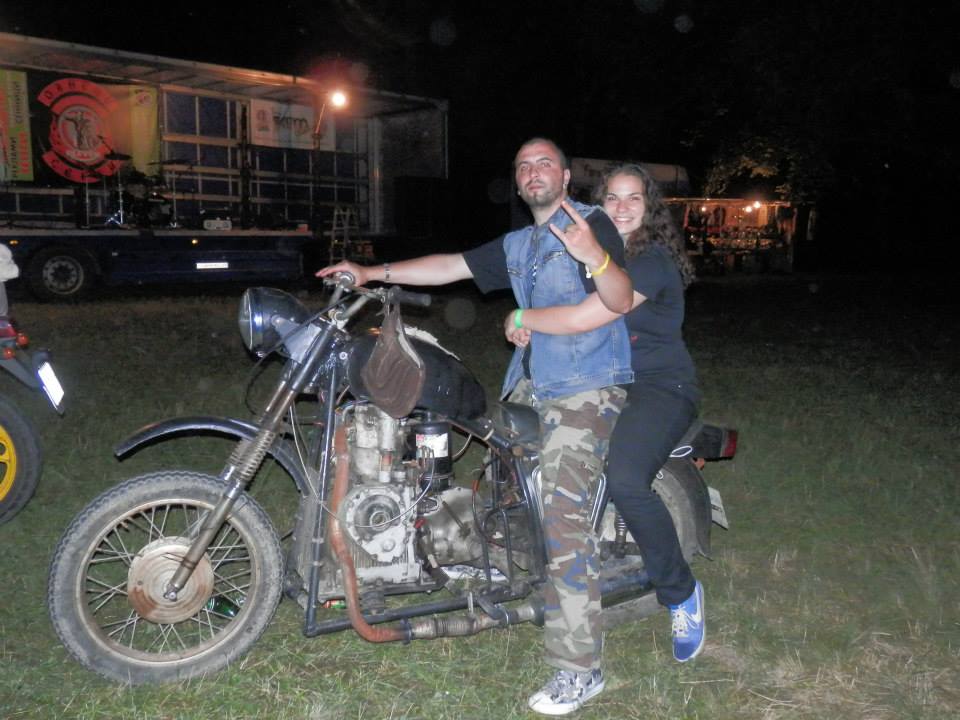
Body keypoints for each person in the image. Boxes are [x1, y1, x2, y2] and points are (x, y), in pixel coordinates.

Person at [318, 137, 634, 716]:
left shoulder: (591, 225)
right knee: (491, 477)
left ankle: (579, 668)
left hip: (586, 387)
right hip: (533, 383)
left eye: (545, 163)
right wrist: (370, 271)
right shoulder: (519, 243)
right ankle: (490, 566)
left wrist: (596, 257)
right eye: (523, 166)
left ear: (566, 177)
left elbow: (618, 299)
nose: (533, 172)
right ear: (517, 182)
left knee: (562, 519)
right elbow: (450, 265)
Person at [503, 163, 706, 670]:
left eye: (634, 198)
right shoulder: (595, 254)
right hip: (601, 380)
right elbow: (561, 305)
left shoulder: (651, 261)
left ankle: (680, 592)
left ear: (649, 207)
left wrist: (523, 317)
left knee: (627, 480)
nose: (621, 207)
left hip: (658, 387)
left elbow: (592, 314)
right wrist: (531, 328)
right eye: (612, 197)